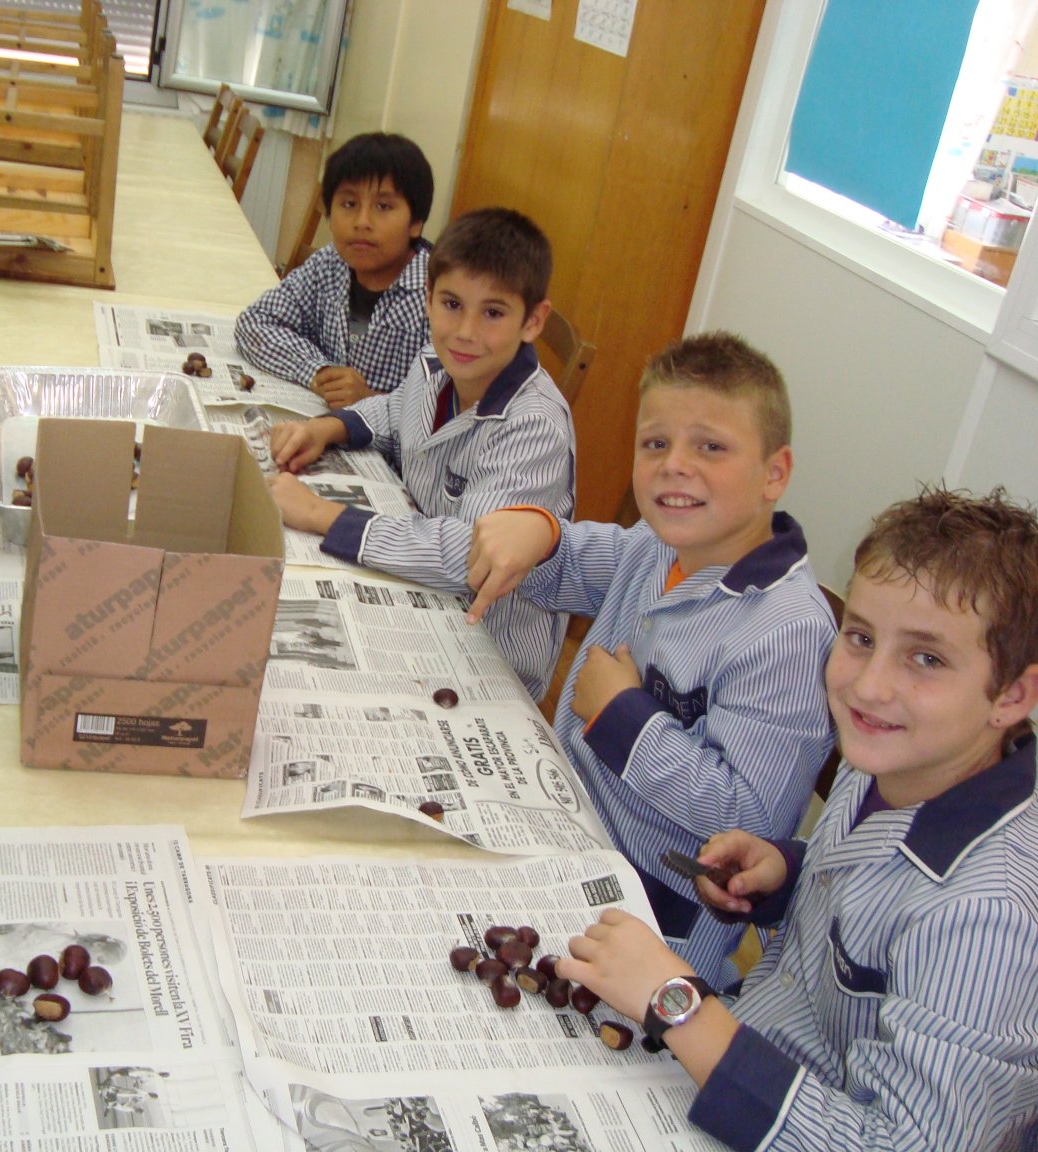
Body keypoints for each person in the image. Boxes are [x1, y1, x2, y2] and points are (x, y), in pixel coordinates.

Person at [558, 487, 1038, 1152]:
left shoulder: (991, 914)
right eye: (862, 637)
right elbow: (864, 890)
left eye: (926, 658)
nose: (870, 686)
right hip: (752, 1046)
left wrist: (679, 1003)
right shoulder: (892, 760)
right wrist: (785, 869)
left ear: (1013, 694)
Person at [465, 332, 834, 986]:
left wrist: (621, 714)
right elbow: (565, 559)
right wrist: (542, 532)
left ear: (775, 472)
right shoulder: (660, 545)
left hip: (648, 927)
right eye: (656, 443)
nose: (674, 466)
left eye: (711, 447)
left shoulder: (791, 632)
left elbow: (749, 822)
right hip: (563, 828)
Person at [268, 207, 574, 701]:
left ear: (533, 321)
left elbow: (468, 557)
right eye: (452, 303)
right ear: (428, 301)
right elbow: (396, 411)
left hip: (489, 649)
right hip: (418, 589)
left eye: (493, 313)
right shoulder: (437, 360)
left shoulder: (534, 427)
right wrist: (330, 427)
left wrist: (325, 516)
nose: (466, 331)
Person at [235, 132, 434, 408]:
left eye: (384, 206)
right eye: (349, 204)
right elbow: (255, 322)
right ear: (329, 214)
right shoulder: (330, 263)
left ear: (416, 222)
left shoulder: (440, 296)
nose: (362, 222)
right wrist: (320, 372)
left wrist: (372, 401)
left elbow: (451, 411)